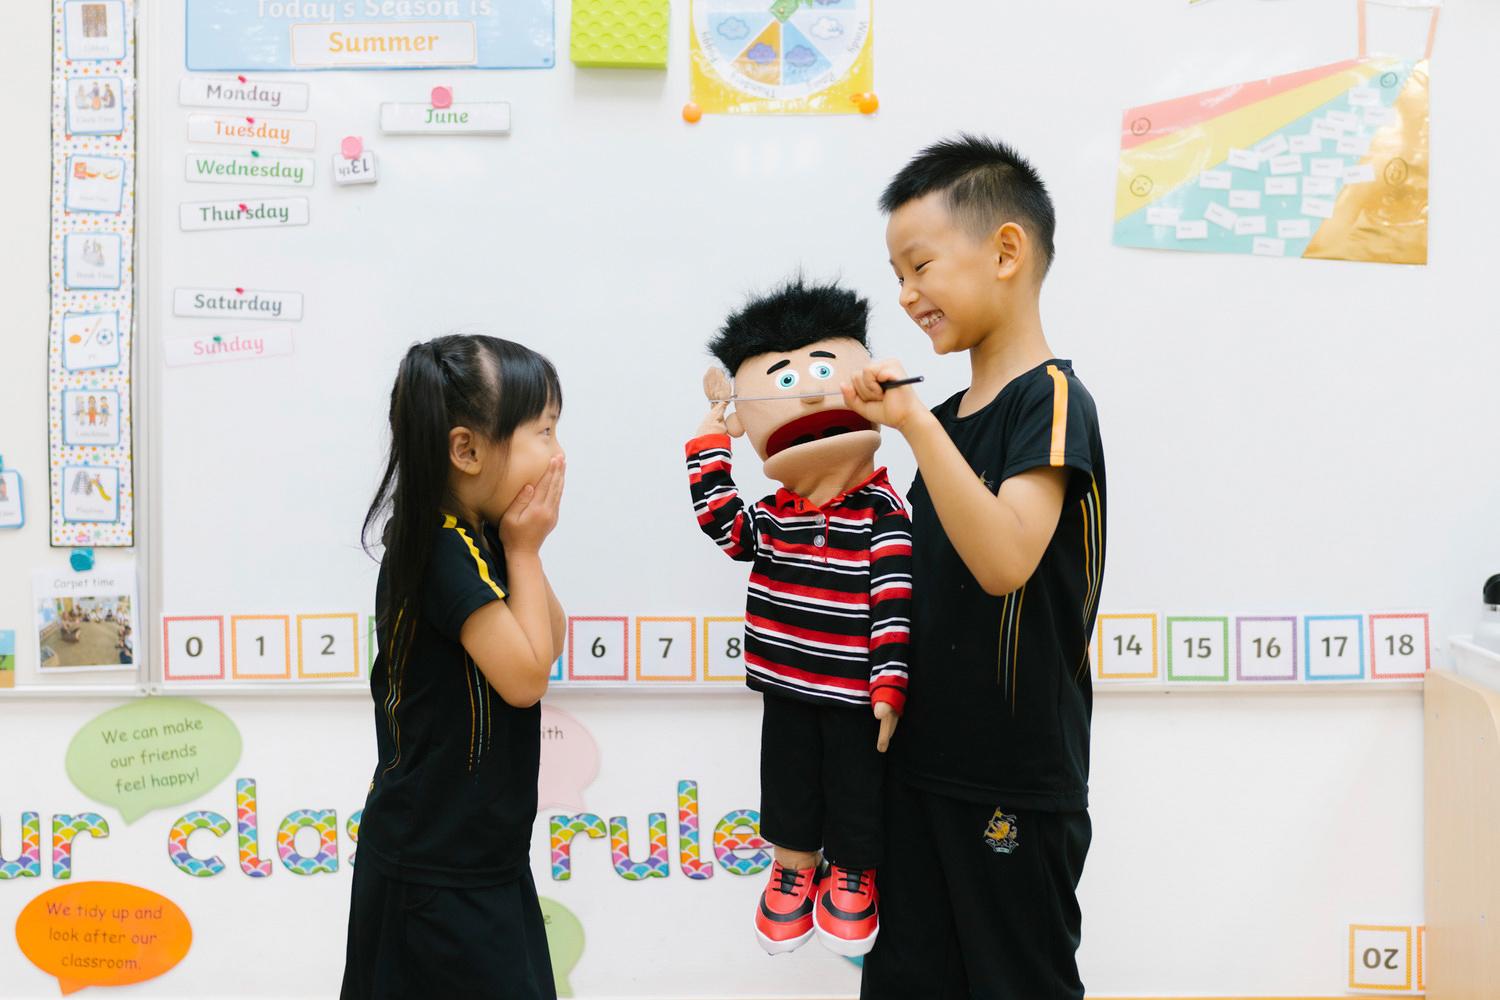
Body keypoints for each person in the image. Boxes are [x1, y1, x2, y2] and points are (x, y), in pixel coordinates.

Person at [845, 135, 1108, 999]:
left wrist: (915, 424)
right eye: (897, 274)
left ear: (1006, 251)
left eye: (919, 265)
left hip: (1015, 779)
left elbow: (1003, 560)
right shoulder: (948, 415)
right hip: (920, 769)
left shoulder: (1053, 399)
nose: (906, 294)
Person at [686, 277, 912, 957]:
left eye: (822, 372)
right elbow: (722, 522)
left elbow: (895, 607)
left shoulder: (884, 514)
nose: (811, 392)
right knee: (785, 780)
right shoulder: (773, 516)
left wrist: (890, 686)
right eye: (786, 380)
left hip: (852, 695)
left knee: (855, 784)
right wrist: (711, 432)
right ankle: (792, 868)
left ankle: (851, 872)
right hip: (784, 683)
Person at [342, 335, 567, 1000]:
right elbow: (525, 681)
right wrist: (523, 552)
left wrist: (524, 547)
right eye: (544, 432)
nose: (558, 455)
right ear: (466, 450)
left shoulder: (482, 537)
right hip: (434, 868)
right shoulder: (440, 549)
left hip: (478, 857)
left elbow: (548, 637)